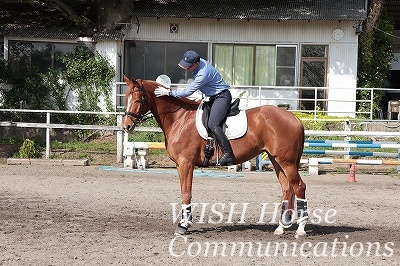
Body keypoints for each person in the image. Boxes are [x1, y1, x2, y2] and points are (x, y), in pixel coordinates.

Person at [154, 50, 234, 166]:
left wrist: (169, 92)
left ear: (196, 64)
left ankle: (228, 154)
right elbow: (203, 86)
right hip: (212, 97)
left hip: (221, 97)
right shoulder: (199, 63)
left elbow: (188, 91)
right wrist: (200, 95)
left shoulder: (203, 73)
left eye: (189, 66)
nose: (186, 69)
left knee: (212, 124)